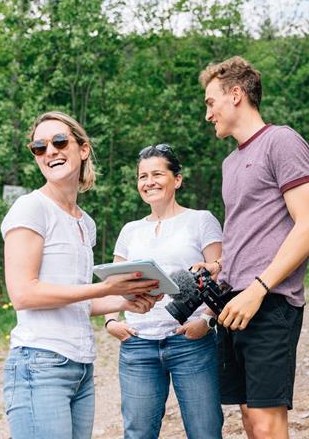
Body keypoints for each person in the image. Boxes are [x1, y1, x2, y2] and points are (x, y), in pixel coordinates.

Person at [1, 111, 160, 439]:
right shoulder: (30, 208)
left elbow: (73, 300)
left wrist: (127, 300)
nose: (50, 151)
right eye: (39, 147)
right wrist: (103, 289)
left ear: (82, 149)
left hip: (80, 367)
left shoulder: (85, 223)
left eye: (59, 141)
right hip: (40, 364)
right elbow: (23, 294)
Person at [198, 56, 309, 438]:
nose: (208, 115)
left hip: (269, 301)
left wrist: (258, 288)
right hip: (233, 303)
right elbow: (248, 231)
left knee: (269, 425)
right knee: (251, 420)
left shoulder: (281, 141)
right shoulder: (230, 163)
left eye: (210, 102)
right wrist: (218, 269)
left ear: (236, 95)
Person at [104, 144, 224, 439]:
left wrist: (206, 321)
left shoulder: (201, 220)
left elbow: (222, 275)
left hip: (190, 341)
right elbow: (113, 284)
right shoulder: (130, 230)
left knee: (205, 431)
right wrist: (111, 321)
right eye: (142, 176)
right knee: (138, 433)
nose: (149, 182)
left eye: (157, 174)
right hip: (138, 344)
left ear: (177, 179)